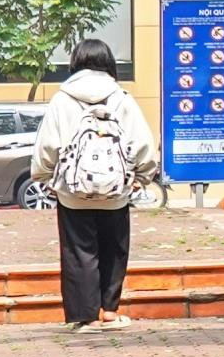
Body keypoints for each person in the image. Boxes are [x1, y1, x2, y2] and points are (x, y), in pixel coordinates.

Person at [28, 37, 158, 327]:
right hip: (116, 192)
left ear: (75, 63)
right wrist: (143, 176)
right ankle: (110, 312)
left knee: (78, 252)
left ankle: (84, 318)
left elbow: (48, 144)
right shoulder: (122, 97)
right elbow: (142, 142)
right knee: (114, 248)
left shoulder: (63, 99)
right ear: (109, 63)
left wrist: (45, 176)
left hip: (73, 192)